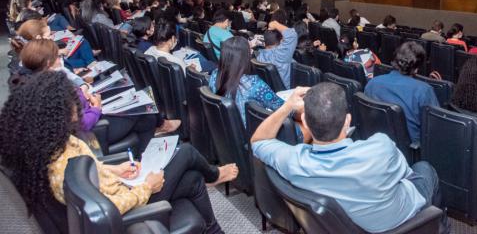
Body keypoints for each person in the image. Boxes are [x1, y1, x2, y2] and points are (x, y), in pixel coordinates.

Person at [0, 71, 237, 234]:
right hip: (130, 205)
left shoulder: (52, 144)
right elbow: (107, 210)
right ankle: (215, 177)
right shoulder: (60, 166)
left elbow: (91, 169)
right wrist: (148, 187)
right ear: (54, 111)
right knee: (185, 152)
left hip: (121, 186)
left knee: (193, 179)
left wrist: (114, 168)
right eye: (71, 101)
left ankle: (214, 229)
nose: (77, 104)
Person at [251, 83, 448, 233]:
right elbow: (406, 175)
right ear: (347, 121)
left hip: (345, 225)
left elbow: (258, 141)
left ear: (305, 122)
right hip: (392, 221)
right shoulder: (381, 147)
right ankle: (438, 226)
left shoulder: (293, 160)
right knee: (424, 168)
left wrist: (286, 107)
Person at [12, 39, 179, 153]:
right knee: (145, 111)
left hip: (89, 113)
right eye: (57, 56)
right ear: (48, 63)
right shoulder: (52, 88)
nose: (60, 58)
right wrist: (97, 108)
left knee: (144, 112)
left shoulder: (36, 82)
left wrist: (84, 94)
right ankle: (148, 152)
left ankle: (145, 153)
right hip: (94, 130)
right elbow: (82, 123)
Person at [364, 42, 439, 143]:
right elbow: (435, 127)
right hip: (411, 151)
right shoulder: (424, 91)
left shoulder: (372, 83)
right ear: (417, 68)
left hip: (376, 143)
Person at [209, 36, 285, 127]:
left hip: (225, 129)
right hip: (254, 134)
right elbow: (283, 108)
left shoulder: (214, 75)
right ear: (246, 56)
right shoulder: (254, 85)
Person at [256, 20, 298, 90]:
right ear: (281, 40)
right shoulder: (281, 55)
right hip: (287, 93)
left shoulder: (259, 55)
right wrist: (276, 24)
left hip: (270, 92)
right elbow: (292, 35)